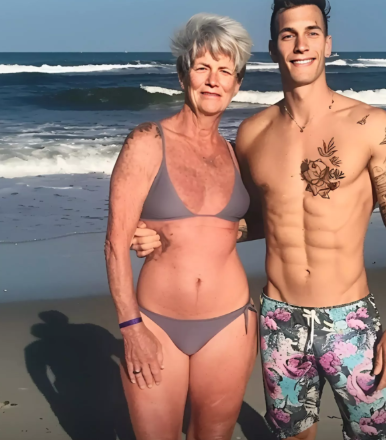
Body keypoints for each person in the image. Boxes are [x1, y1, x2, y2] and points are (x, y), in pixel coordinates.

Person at [132, 1, 386, 439]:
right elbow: (247, 219)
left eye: (311, 32)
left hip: (350, 320)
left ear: (328, 43)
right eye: (288, 35)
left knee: (373, 435)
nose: (301, 44)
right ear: (273, 48)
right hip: (279, 319)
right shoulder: (253, 133)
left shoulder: (370, 124)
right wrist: (169, 234)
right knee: (292, 435)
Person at [104, 14, 258, 440]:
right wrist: (131, 328)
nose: (213, 80)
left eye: (225, 70)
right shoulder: (148, 141)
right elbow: (115, 244)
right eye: (202, 67)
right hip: (155, 323)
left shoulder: (237, 153)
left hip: (230, 324)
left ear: (237, 83)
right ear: (182, 74)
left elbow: (272, 220)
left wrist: (229, 232)